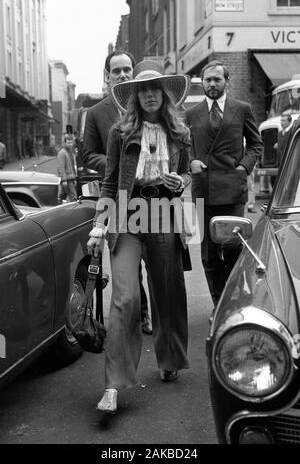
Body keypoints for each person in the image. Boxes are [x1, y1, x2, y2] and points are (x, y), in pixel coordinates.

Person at [87, 59, 191, 413]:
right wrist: (99, 225)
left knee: (168, 290)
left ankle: (169, 358)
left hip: (163, 211)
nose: (149, 95)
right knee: (125, 298)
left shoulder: (180, 131)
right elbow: (109, 180)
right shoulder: (120, 132)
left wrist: (182, 182)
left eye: (154, 90)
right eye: (142, 90)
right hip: (127, 213)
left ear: (164, 95)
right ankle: (114, 384)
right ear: (135, 97)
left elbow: (184, 174)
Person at [82, 50, 152, 336]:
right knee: (128, 264)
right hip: (120, 199)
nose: (123, 74)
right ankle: (141, 316)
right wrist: (119, 164)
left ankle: (160, 318)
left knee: (158, 263)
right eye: (116, 71)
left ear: (133, 72)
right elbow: (88, 155)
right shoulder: (97, 112)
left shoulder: (150, 105)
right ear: (107, 77)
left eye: (127, 69)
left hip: (154, 198)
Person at [185, 60, 263, 308]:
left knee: (232, 248)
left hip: (232, 188)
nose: (212, 84)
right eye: (207, 80)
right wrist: (192, 162)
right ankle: (218, 304)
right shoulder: (191, 114)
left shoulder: (242, 109)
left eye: (217, 79)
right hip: (204, 190)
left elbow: (255, 144)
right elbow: (183, 147)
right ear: (202, 82)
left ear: (226, 82)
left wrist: (243, 168)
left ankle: (235, 302)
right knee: (208, 254)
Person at [271, 112, 293, 187]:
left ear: (289, 122)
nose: (281, 122)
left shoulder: (292, 133)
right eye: (281, 120)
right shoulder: (279, 133)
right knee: (274, 181)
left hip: (288, 161)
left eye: (284, 120)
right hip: (279, 162)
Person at [57, 134, 77, 203]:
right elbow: (61, 167)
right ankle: (75, 211)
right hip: (67, 180)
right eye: (68, 143)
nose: (70, 144)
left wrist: (74, 178)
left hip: (70, 178)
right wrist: (63, 180)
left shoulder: (70, 153)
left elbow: (72, 167)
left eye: (71, 142)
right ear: (65, 143)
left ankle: (57, 208)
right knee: (73, 196)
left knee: (62, 196)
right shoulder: (62, 153)